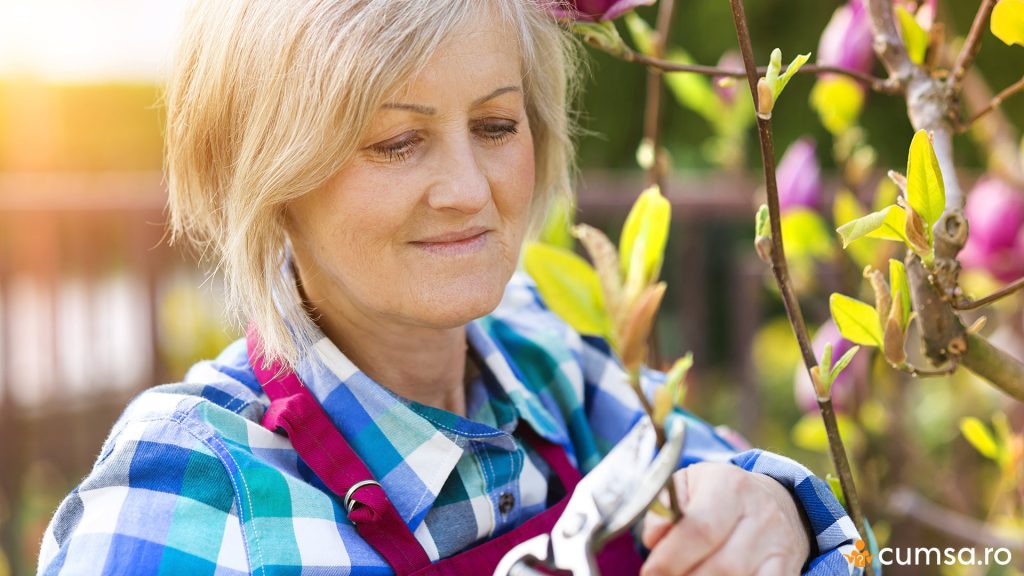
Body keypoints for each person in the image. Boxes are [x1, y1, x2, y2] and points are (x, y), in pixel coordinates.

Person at [37, 1, 862, 574]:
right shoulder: (188, 490)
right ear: (271, 174)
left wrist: (778, 512)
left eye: (497, 126)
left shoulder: (554, 366)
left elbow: (837, 542)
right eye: (398, 141)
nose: (469, 188)